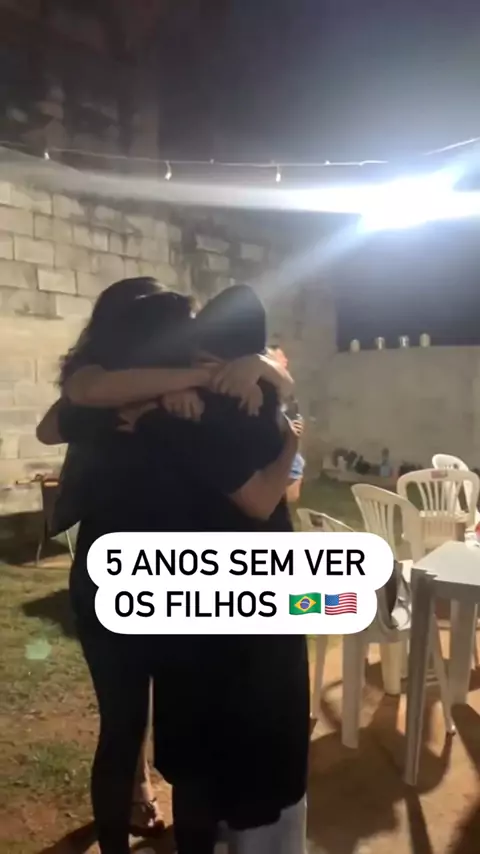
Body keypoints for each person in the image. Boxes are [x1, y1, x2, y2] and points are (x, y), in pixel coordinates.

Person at [38, 281, 299, 854]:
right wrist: (200, 381)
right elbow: (64, 412)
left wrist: (256, 368)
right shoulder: (110, 399)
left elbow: (276, 383)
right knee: (164, 737)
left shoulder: (166, 391)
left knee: (145, 732)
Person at [268, 344, 306, 503]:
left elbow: (293, 414)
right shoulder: (265, 388)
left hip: (287, 449)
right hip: (274, 451)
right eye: (280, 357)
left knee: (290, 495)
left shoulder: (286, 389)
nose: (285, 360)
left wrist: (298, 425)